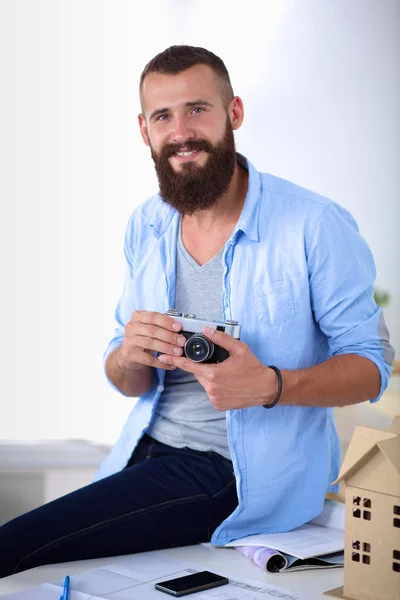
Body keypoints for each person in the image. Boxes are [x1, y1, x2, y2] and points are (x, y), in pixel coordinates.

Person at [0, 45, 394, 578]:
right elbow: (128, 380)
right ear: (145, 130)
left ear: (234, 112)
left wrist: (271, 385)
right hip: (141, 452)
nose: (181, 131)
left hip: (233, 472)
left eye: (197, 109)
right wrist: (128, 356)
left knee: (12, 547)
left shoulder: (316, 225)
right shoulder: (146, 224)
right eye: (164, 116)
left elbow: (372, 366)